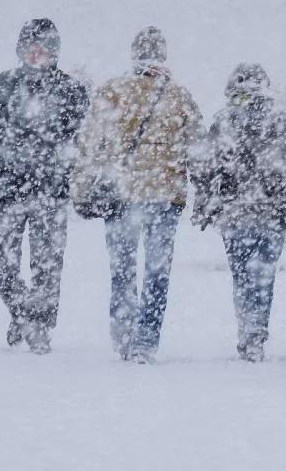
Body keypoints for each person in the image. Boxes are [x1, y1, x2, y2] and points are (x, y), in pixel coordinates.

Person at [71, 27, 203, 364]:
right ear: (162, 55)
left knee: (123, 269)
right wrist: (203, 191)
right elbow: (199, 147)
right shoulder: (179, 96)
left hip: (122, 195)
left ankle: (123, 332)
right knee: (157, 272)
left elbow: (89, 144)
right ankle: (146, 339)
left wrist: (83, 188)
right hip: (165, 195)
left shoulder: (112, 91)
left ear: (134, 55)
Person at [0, 19, 89, 354]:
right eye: (30, 45)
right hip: (5, 189)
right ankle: (23, 311)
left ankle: (40, 326)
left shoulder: (70, 89)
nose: (36, 52)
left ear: (54, 52)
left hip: (49, 190)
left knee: (47, 266)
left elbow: (80, 137)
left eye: (43, 47)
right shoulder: (2, 85)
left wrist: (62, 164)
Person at [194, 63, 286, 362]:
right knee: (264, 277)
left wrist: (204, 203)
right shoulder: (281, 120)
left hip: (235, 211)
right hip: (271, 210)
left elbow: (204, 166)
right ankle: (256, 334)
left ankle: (247, 330)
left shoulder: (223, 119)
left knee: (242, 276)